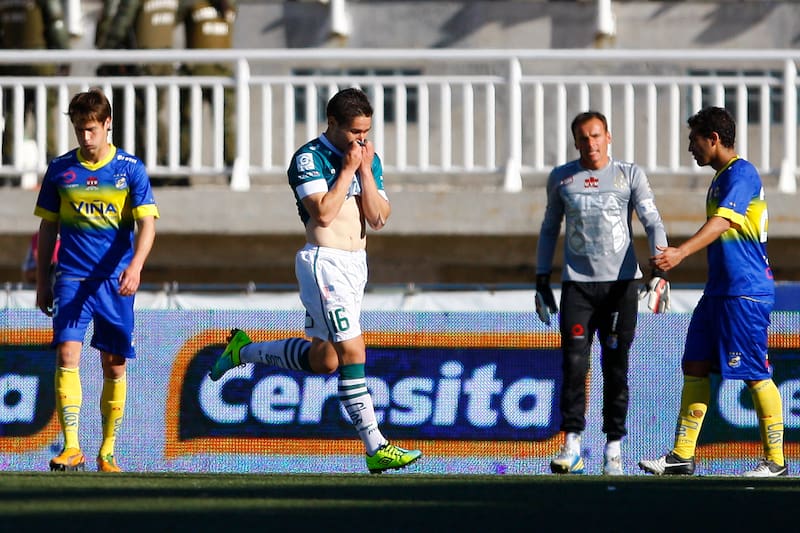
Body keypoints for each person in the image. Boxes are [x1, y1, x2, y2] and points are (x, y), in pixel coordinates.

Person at [210, 87, 422, 474]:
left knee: (324, 360)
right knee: (353, 352)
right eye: (355, 131)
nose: (362, 139)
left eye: (367, 131)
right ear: (334, 124)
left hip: (356, 265)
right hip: (325, 263)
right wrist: (346, 171)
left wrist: (364, 171)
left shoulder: (366, 158)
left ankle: (243, 351)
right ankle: (376, 446)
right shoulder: (308, 158)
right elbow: (323, 214)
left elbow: (378, 218)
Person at [639, 106, 786, 477]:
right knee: (696, 365)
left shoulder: (742, 173)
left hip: (744, 292)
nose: (691, 148)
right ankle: (682, 455)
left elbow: (722, 222)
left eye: (694, 140)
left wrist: (681, 253)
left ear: (714, 139)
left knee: (753, 372)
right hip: (719, 290)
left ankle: (776, 461)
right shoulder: (721, 177)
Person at [535, 110, 669, 476]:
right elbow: (549, 229)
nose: (590, 144)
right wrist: (542, 277)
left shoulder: (629, 175)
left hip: (620, 287)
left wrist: (660, 269)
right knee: (574, 363)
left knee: (616, 367)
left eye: (596, 136)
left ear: (608, 137)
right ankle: (572, 445)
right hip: (577, 286)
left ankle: (614, 448)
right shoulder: (562, 179)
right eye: (583, 138)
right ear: (575, 142)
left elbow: (653, 220)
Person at [34, 88, 159, 473]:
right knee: (67, 354)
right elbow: (47, 228)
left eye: (91, 129)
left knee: (114, 364)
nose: (85, 138)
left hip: (115, 280)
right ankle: (72, 447)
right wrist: (43, 280)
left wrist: (136, 266)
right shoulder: (60, 170)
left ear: (108, 125)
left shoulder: (129, 169)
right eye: (78, 130)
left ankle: (107, 452)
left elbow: (147, 224)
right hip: (72, 277)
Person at [95, 0, 179, 165]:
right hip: (163, 59)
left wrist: (104, 55)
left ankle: (156, 162)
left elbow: (119, 28)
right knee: (152, 112)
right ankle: (162, 161)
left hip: (144, 62)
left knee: (143, 113)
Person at [0, 0, 70, 168]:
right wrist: (64, 57)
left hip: (11, 64)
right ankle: (49, 163)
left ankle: (8, 165)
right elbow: (56, 26)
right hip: (40, 65)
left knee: (13, 114)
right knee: (44, 115)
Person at [178, 0, 237, 169]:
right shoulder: (192, 5)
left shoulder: (229, 6)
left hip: (222, 72)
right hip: (193, 71)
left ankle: (231, 165)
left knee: (225, 122)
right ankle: (181, 166)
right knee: (186, 121)